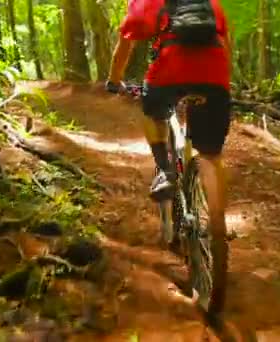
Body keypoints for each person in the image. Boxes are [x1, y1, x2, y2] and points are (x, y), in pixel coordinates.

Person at [105, 0, 233, 321]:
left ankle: (164, 169)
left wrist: (114, 80)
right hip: (215, 77)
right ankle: (216, 222)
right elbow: (225, 45)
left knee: (153, 111)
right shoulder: (212, 4)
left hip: (169, 73)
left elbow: (126, 44)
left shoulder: (150, 2)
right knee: (211, 155)